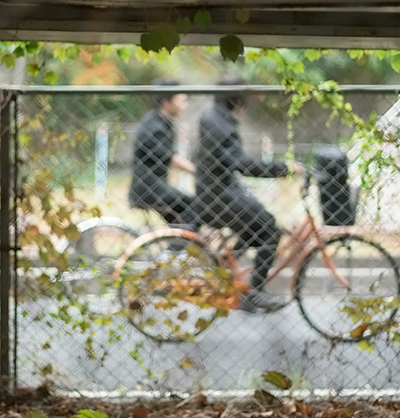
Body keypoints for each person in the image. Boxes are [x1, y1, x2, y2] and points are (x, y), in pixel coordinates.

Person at [195, 75, 304, 313]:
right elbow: (243, 164)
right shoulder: (222, 125)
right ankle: (254, 293)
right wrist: (283, 168)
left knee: (256, 226)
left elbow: (225, 164)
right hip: (220, 197)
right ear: (237, 101)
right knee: (268, 228)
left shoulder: (212, 118)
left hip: (214, 193)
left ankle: (227, 263)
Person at [128, 78, 200, 228]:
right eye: (180, 100)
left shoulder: (160, 122)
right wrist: (199, 171)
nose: (184, 106)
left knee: (182, 217)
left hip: (154, 186)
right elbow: (171, 158)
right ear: (166, 102)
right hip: (149, 188)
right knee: (196, 207)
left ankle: (178, 244)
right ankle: (176, 249)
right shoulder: (155, 126)